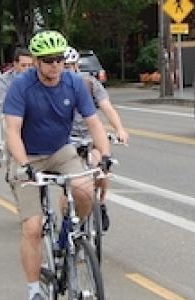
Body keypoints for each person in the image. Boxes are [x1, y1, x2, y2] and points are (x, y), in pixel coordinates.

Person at [3, 30, 111, 300]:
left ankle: (70, 234)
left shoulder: (75, 83)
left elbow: (94, 123)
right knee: (33, 228)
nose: (55, 66)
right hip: (29, 156)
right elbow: (12, 131)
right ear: (37, 62)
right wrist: (24, 165)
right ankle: (34, 293)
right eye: (48, 61)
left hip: (60, 150)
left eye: (59, 60)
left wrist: (106, 153)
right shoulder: (21, 87)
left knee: (85, 189)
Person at [64, 46, 128, 231]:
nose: (67, 70)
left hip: (89, 136)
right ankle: (67, 222)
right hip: (67, 139)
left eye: (70, 66)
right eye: (64, 66)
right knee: (68, 185)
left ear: (77, 66)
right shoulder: (55, 87)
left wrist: (120, 129)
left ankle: (100, 203)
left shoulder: (90, 83)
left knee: (101, 165)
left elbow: (106, 107)